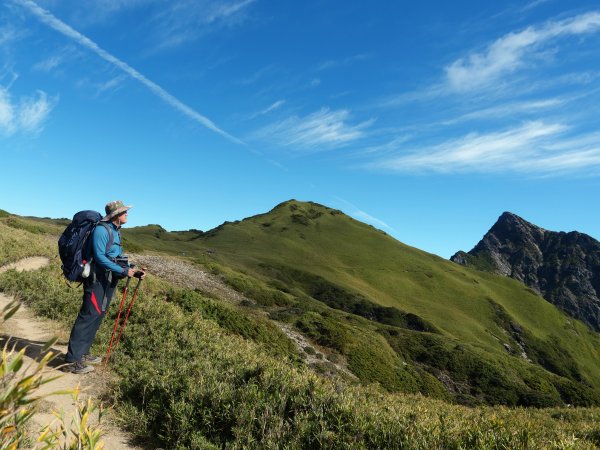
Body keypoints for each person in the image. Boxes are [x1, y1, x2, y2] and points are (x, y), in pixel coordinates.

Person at [65, 200, 145, 374]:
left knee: (98, 315)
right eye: (124, 212)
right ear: (116, 214)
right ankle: (72, 361)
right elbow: (100, 258)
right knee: (88, 315)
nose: (127, 214)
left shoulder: (115, 231)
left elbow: (115, 256)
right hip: (96, 279)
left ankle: (83, 353)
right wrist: (124, 272)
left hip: (107, 279)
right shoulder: (102, 230)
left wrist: (131, 269)